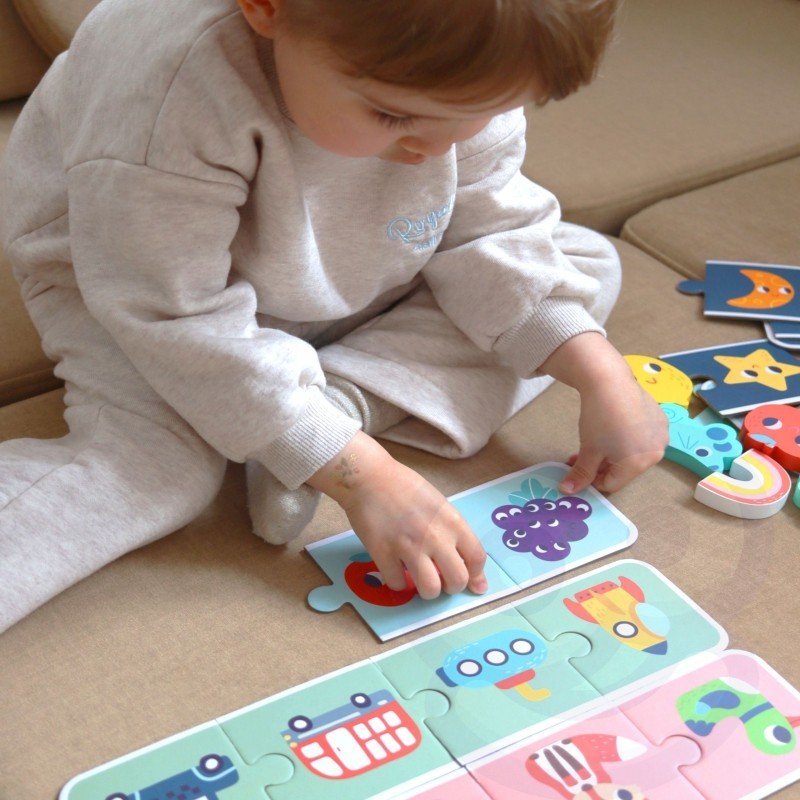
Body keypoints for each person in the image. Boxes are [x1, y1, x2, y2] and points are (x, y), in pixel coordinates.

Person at [0, 0, 667, 632]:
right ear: (267, 8)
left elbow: (489, 226)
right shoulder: (170, 84)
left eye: (483, 116)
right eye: (394, 116)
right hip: (136, 287)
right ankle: (311, 429)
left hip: (348, 263)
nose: (440, 150)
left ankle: (332, 411)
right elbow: (172, 314)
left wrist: (600, 373)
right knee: (160, 469)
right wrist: (364, 477)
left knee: (585, 269)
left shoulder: (462, 70)